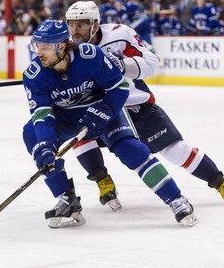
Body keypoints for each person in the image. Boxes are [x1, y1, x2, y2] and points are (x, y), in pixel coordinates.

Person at [64, 1, 224, 210]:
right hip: (102, 110)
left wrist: (124, 64)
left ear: (95, 24)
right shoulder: (67, 49)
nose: (74, 31)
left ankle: (220, 182)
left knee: (175, 150)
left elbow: (151, 63)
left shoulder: (119, 35)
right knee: (79, 135)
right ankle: (103, 181)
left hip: (135, 106)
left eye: (81, 25)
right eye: (71, 24)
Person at [22, 19, 198, 229]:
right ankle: (67, 200)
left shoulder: (90, 56)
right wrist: (47, 145)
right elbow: (42, 115)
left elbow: (120, 87)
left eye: (45, 47)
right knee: (33, 136)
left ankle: (176, 199)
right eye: (36, 46)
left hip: (104, 111)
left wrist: (106, 110)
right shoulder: (34, 75)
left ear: (61, 46)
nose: (38, 52)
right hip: (68, 118)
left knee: (131, 150)